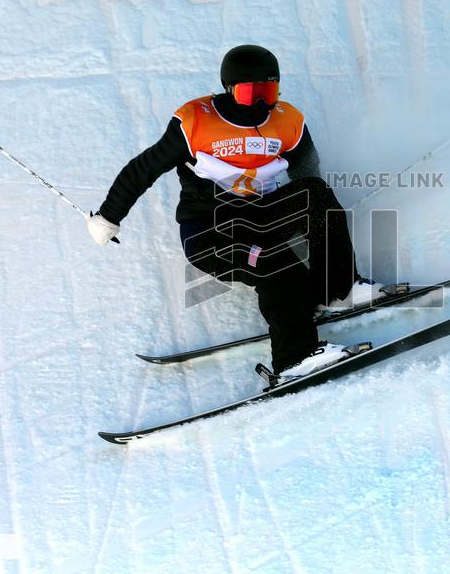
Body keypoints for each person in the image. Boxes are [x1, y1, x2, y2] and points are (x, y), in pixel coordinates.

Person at [87, 45, 383, 380]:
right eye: (250, 93)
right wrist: (108, 217)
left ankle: (338, 290)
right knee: (278, 262)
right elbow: (143, 169)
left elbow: (308, 175)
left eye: (268, 92)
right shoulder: (195, 122)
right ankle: (293, 358)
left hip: (261, 216)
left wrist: (324, 220)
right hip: (211, 232)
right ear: (229, 89)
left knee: (316, 194)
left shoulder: (287, 121)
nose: (260, 102)